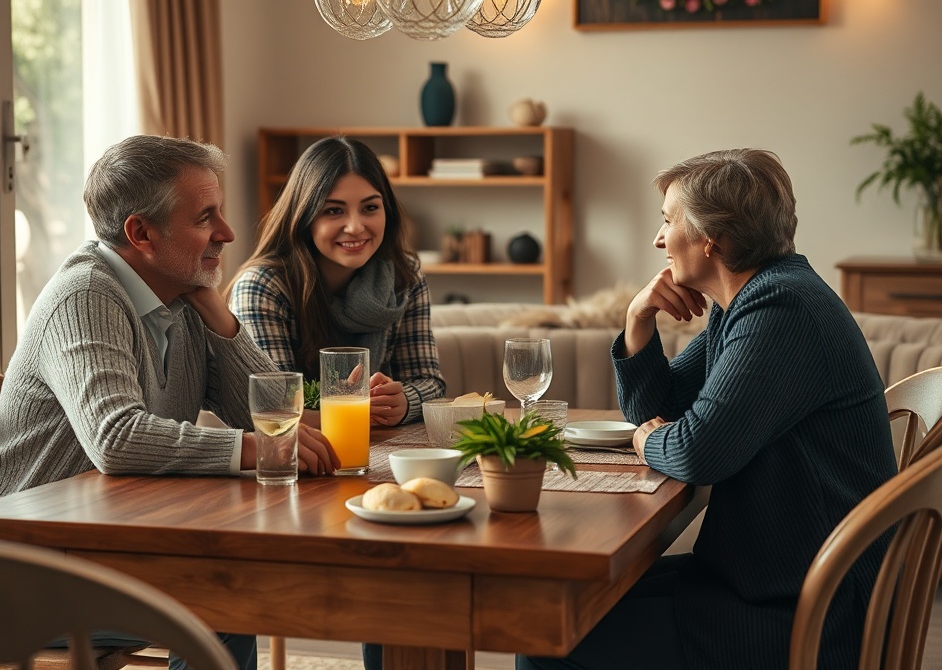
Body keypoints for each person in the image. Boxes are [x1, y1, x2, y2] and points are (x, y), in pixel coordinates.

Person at [517, 149, 897, 670]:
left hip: (803, 610)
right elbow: (660, 406)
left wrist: (647, 440)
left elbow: (696, 453)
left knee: (546, 637)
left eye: (668, 221)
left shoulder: (780, 310)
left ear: (710, 238)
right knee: (555, 607)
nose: (658, 239)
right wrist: (637, 320)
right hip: (769, 577)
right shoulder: (749, 302)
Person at [0, 134, 339, 670]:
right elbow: (116, 438)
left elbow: (278, 414)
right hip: (13, 580)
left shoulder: (178, 297)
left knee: (232, 591)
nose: (227, 233)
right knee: (225, 600)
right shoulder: (86, 296)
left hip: (97, 554)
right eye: (205, 218)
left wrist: (222, 318)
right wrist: (255, 448)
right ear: (141, 233)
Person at [228, 136, 446, 427]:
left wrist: (405, 400)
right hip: (296, 449)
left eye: (370, 208)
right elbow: (276, 406)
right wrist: (350, 407)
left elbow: (430, 382)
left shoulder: (404, 276)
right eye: (333, 210)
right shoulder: (262, 287)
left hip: (381, 445)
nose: (355, 227)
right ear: (304, 216)